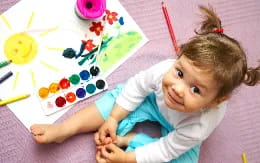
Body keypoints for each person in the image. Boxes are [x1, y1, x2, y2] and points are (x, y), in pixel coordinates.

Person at [30, 5, 260, 163]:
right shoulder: (163, 72)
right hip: (153, 102)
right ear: (178, 59)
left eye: (196, 89)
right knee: (117, 99)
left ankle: (128, 140)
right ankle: (64, 130)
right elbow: (135, 89)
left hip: (179, 129)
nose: (178, 89)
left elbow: (167, 149)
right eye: (180, 73)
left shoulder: (199, 125)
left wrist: (127, 158)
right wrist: (113, 118)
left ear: (216, 101)